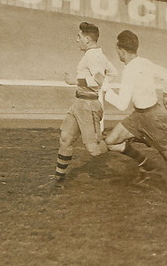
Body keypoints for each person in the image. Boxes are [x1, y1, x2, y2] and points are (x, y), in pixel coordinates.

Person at [103, 30, 167, 201]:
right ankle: (145, 163)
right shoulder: (144, 62)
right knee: (111, 141)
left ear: (121, 51)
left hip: (154, 118)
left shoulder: (129, 72)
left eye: (117, 49)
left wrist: (104, 87)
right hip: (138, 116)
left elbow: (121, 104)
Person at [50, 22, 118, 183]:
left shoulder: (93, 56)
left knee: (94, 150)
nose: (76, 40)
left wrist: (75, 80)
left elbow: (98, 80)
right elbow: (113, 73)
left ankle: (122, 140)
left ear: (87, 39)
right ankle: (58, 180)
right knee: (65, 139)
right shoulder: (96, 54)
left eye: (79, 36)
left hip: (88, 105)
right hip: (79, 103)